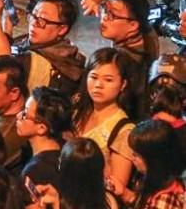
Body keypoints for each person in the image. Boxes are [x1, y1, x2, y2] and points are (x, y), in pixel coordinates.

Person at [72, 47, 137, 192]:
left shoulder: (123, 130)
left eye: (108, 80)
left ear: (123, 85)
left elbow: (117, 186)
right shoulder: (78, 111)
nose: (98, 85)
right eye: (94, 77)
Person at [17, 87, 74, 206]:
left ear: (41, 128)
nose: (18, 116)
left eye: (25, 114)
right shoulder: (64, 155)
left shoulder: (35, 171)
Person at [112, 120, 186, 208]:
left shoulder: (164, 201)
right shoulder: (156, 181)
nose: (132, 157)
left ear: (154, 161)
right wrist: (124, 193)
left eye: (137, 155)